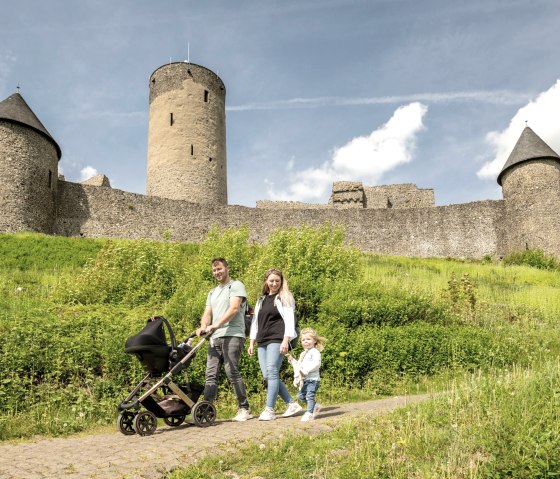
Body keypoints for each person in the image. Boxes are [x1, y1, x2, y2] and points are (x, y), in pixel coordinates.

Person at [196, 257, 252, 422]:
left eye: (219, 269)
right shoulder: (212, 292)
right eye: (214, 270)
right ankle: (205, 412)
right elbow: (207, 313)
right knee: (210, 374)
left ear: (227, 268)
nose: (217, 272)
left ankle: (244, 408)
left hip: (233, 334)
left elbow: (234, 308)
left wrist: (216, 324)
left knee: (231, 370)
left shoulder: (235, 286)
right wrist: (204, 326)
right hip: (215, 337)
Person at [248, 268, 302, 421]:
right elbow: (255, 322)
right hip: (262, 340)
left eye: (277, 281)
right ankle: (291, 404)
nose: (274, 283)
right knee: (268, 375)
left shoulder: (285, 297)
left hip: (277, 338)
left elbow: (290, 321)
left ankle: (269, 409)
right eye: (271, 280)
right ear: (266, 281)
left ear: (281, 282)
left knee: (272, 372)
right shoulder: (261, 300)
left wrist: (286, 340)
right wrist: (252, 342)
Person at [287, 327, 325, 422]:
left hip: (313, 379)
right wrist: (292, 361)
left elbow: (316, 364)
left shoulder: (315, 352)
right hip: (305, 380)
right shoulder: (303, 353)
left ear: (314, 340)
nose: (306, 341)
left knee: (309, 396)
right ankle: (315, 406)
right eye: (303, 340)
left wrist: (306, 371)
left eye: (308, 339)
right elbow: (299, 367)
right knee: (300, 396)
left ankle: (309, 413)